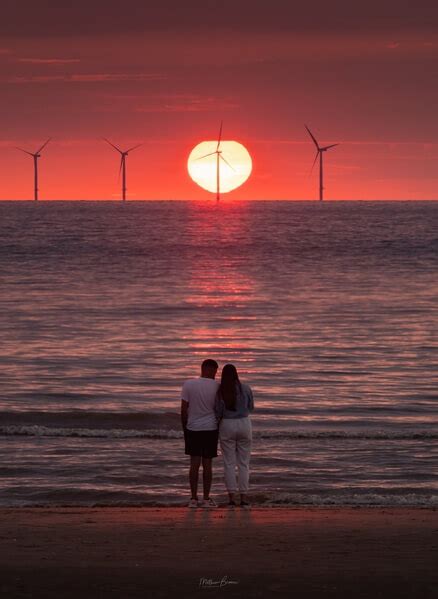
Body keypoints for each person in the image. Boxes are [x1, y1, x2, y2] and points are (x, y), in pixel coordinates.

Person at [181, 359, 220, 508]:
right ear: (208, 369)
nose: (215, 375)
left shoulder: (189, 384)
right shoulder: (217, 386)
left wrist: (185, 428)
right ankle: (205, 499)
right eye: (214, 372)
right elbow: (219, 409)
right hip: (211, 428)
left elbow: (184, 409)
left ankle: (193, 499)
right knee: (207, 464)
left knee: (194, 464)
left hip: (193, 428)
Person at [215, 364, 254, 508]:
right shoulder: (246, 388)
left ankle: (231, 499)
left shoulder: (221, 391)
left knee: (229, 463)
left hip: (227, 424)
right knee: (244, 463)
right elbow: (251, 407)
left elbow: (217, 411)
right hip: (244, 423)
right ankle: (243, 499)